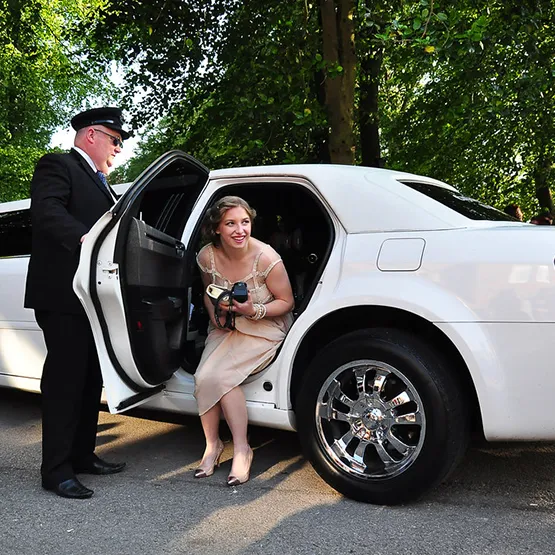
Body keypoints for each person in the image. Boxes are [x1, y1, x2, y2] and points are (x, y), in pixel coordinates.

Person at [24, 107, 130, 499]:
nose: (118, 148)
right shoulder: (59, 165)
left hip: (91, 297)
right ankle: (56, 470)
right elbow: (46, 211)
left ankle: (83, 455)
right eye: (115, 139)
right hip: (62, 293)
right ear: (91, 136)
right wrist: (86, 240)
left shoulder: (103, 183)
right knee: (66, 381)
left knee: (90, 380)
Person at [194, 196, 294, 486]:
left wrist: (253, 309)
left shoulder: (267, 258)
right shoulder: (206, 257)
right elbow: (207, 292)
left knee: (223, 378)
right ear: (217, 229)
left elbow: (286, 302)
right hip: (227, 327)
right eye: (231, 224)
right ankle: (212, 446)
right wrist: (214, 314)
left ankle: (242, 449)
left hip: (265, 326)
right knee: (203, 377)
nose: (240, 230)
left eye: (245, 222)